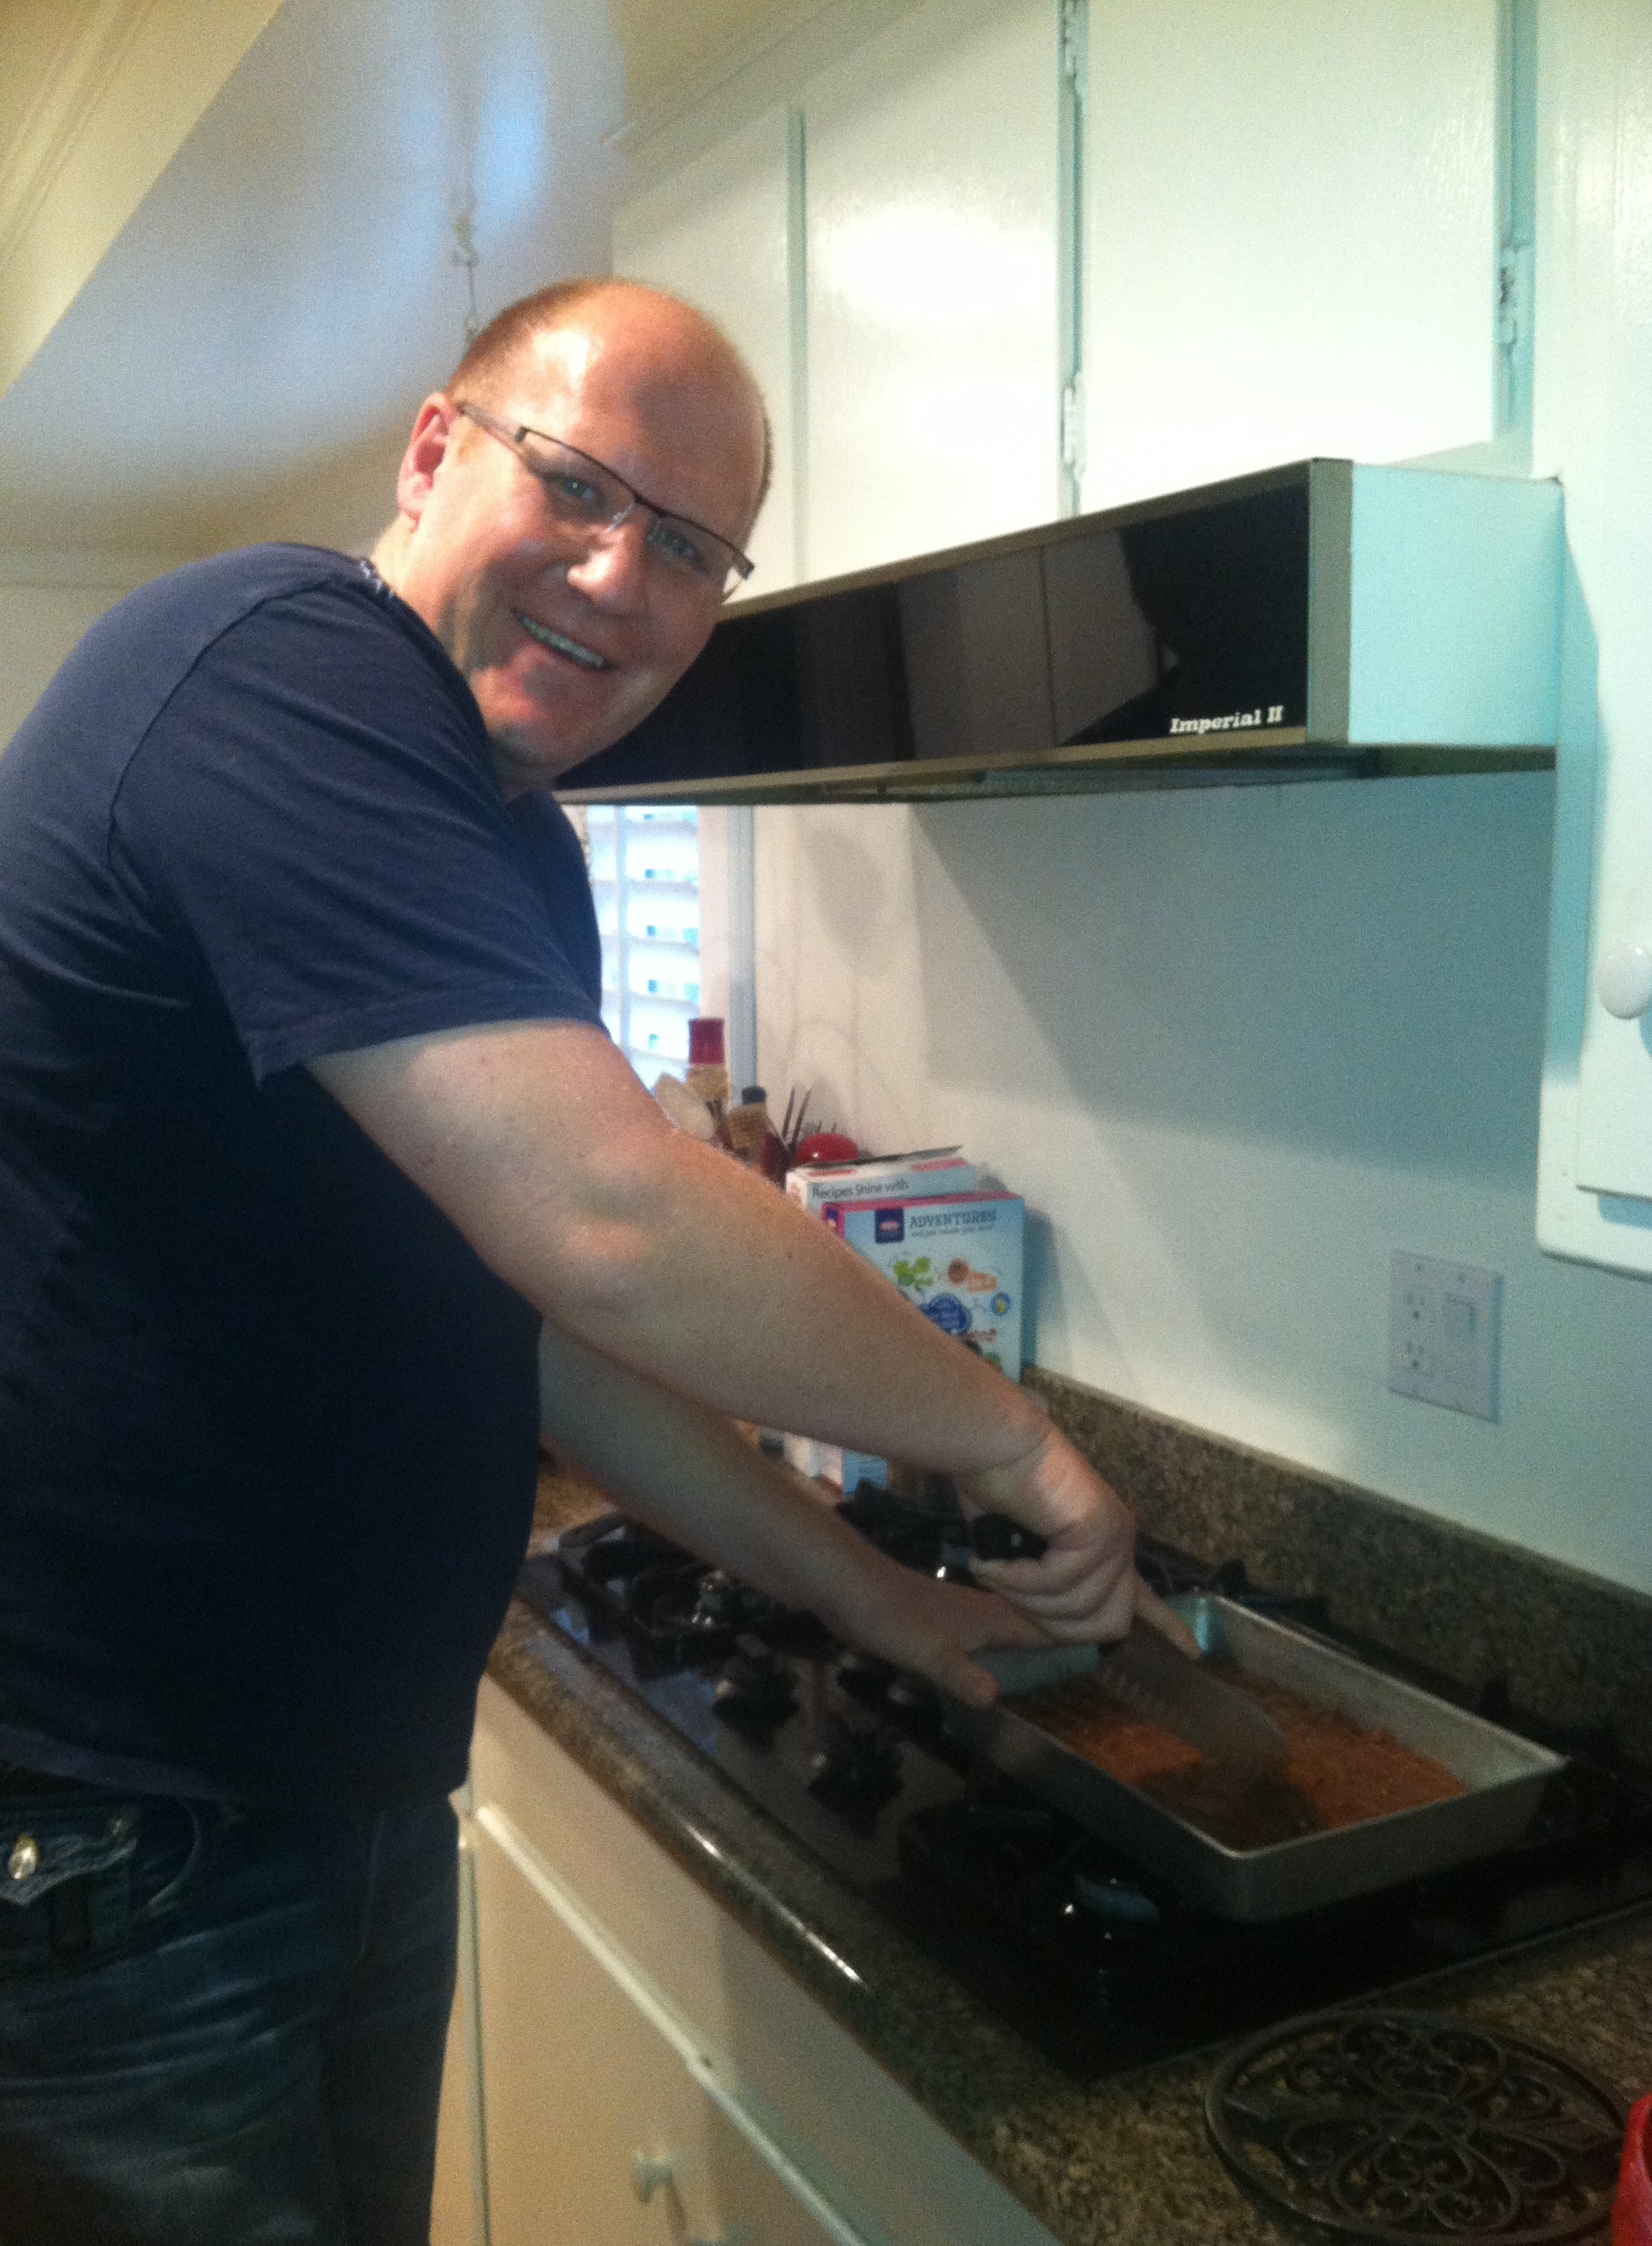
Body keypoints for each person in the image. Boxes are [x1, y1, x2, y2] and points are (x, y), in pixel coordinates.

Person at [0, 278, 1176, 2243]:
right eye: (580, 486)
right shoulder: (269, 669)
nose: (626, 580)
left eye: (696, 549)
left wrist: (879, 1601)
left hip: (328, 1790)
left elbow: (544, 1328)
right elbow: (612, 1222)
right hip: (109, 1816)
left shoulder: (503, 853)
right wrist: (1008, 1442)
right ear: (435, 450)